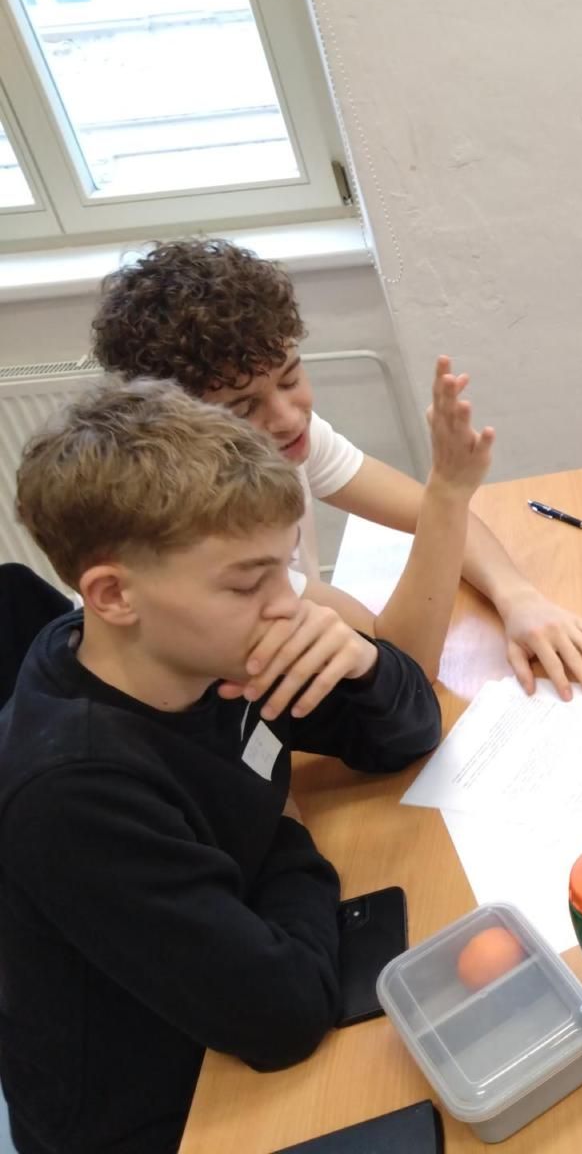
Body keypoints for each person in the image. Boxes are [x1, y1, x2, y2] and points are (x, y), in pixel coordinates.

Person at [0, 380, 444, 1152]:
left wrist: (367, 663)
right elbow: (283, 1016)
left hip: (234, 971)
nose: (289, 605)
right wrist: (286, 833)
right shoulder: (71, 790)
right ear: (112, 595)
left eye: (284, 569)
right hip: (164, 1110)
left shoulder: (200, 648)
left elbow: (401, 739)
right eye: (247, 581)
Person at [92, 238, 582, 699]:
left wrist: (518, 596)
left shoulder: (279, 441)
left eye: (290, 378)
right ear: (178, 422)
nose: (287, 416)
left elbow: (421, 512)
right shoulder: (205, 545)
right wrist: (448, 492)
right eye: (243, 407)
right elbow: (405, 666)